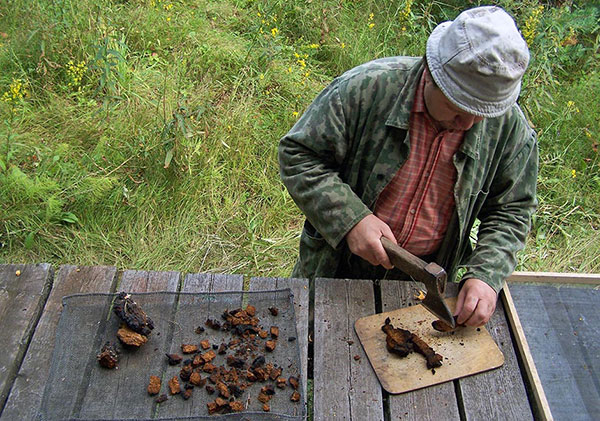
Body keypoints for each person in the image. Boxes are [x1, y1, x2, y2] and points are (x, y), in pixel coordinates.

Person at [278, 6, 538, 327]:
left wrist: (486, 273)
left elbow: (511, 209)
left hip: (425, 282)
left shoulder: (510, 131)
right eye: (459, 107)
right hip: (337, 264)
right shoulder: (366, 89)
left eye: (483, 111)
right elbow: (299, 154)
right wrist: (350, 220)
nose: (469, 123)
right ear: (431, 72)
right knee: (317, 354)